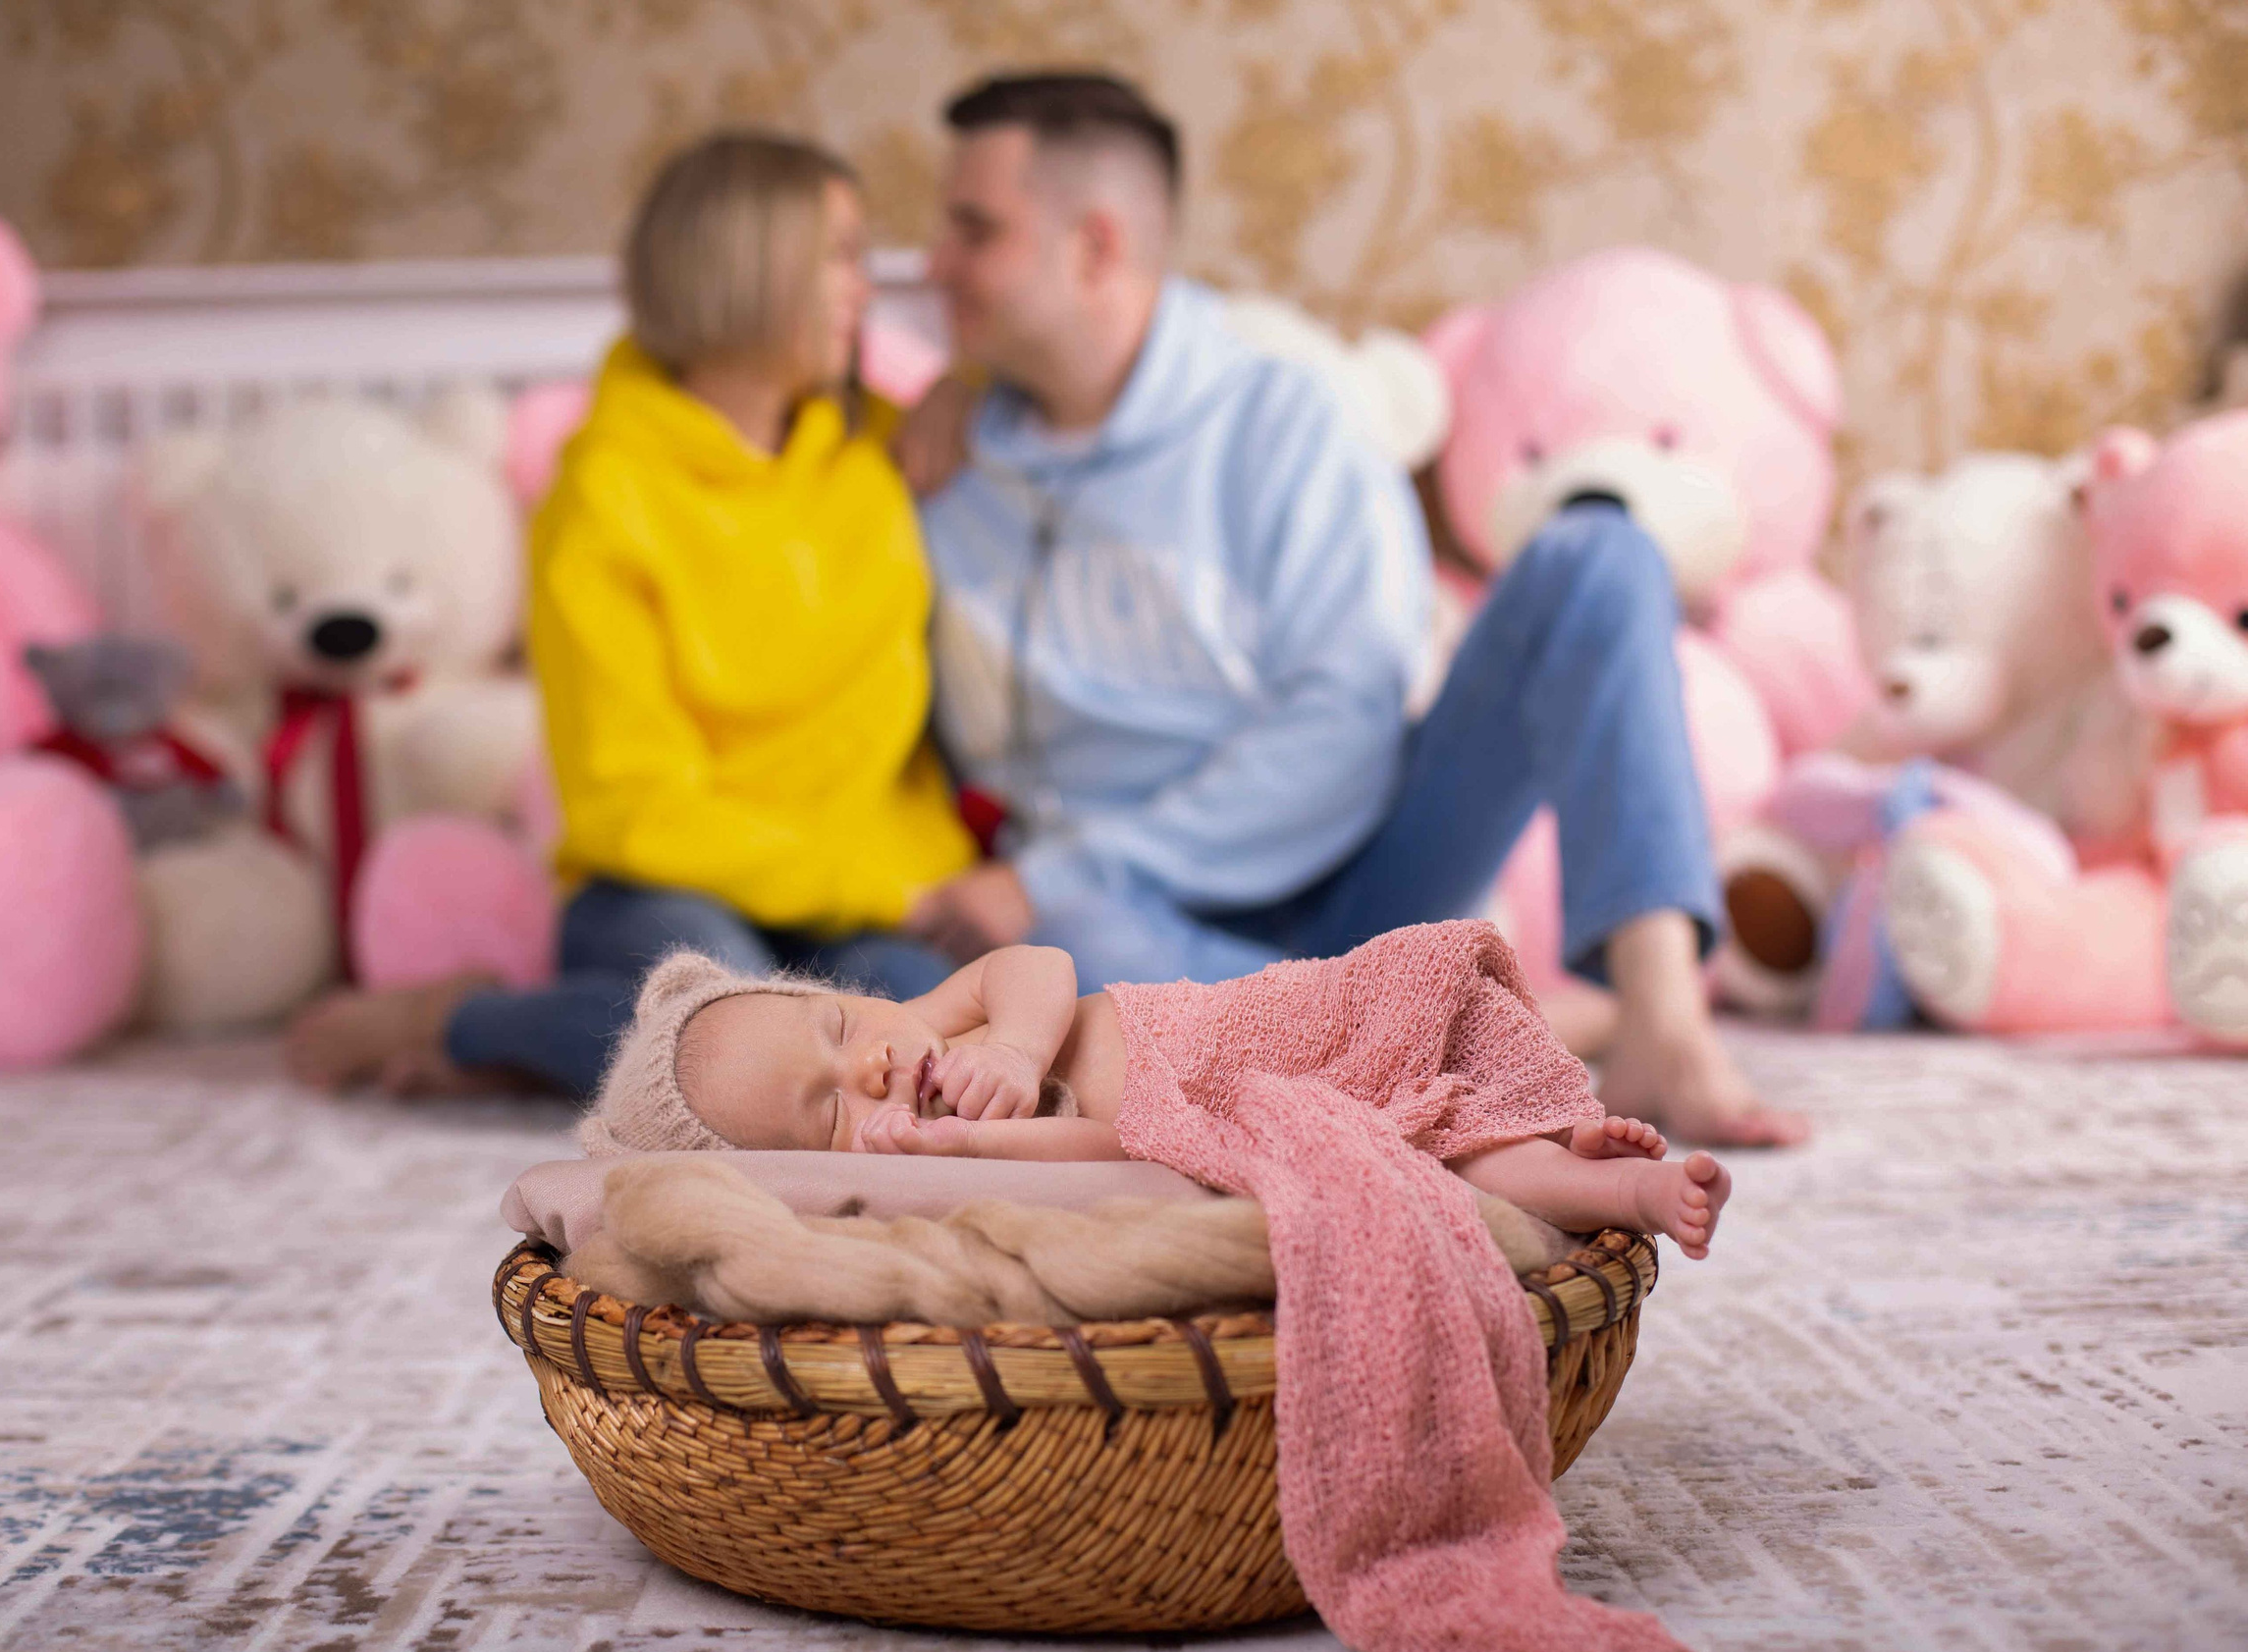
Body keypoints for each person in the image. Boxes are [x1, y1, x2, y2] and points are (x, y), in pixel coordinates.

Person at [890, 72, 1804, 1146]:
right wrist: (945, 391)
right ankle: (1453, 1027)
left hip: (1358, 881)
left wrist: (1058, 873)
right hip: (1126, 926)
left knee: (1597, 556)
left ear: (1094, 246)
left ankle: (1657, 1021)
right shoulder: (938, 455)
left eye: (972, 230)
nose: (934, 264)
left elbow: (1337, 736)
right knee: (1040, 954)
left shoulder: (1283, 422)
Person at [288, 133, 978, 1096]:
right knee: (744, 1052)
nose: (868, 288)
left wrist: (965, 381)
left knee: (943, 1056)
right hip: (663, 882)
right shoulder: (604, 494)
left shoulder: (878, 445)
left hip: (859, 894)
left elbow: (1053, 395)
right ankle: (471, 1021)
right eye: (842, 255)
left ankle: (568, 1044)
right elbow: (632, 805)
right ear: (750, 268)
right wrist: (870, 885)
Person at [575, 936, 1733, 1259]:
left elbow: (1037, 960)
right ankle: (1620, 1184)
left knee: (1422, 1011)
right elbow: (1119, 1150)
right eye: (824, 1110)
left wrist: (1018, 1050)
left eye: (835, 1027)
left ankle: (1551, 1111)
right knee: (1423, 1153)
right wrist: (969, 1148)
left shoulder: (945, 1016)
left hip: (1263, 1023)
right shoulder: (931, 1150)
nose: (867, 1067)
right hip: (1245, 1108)